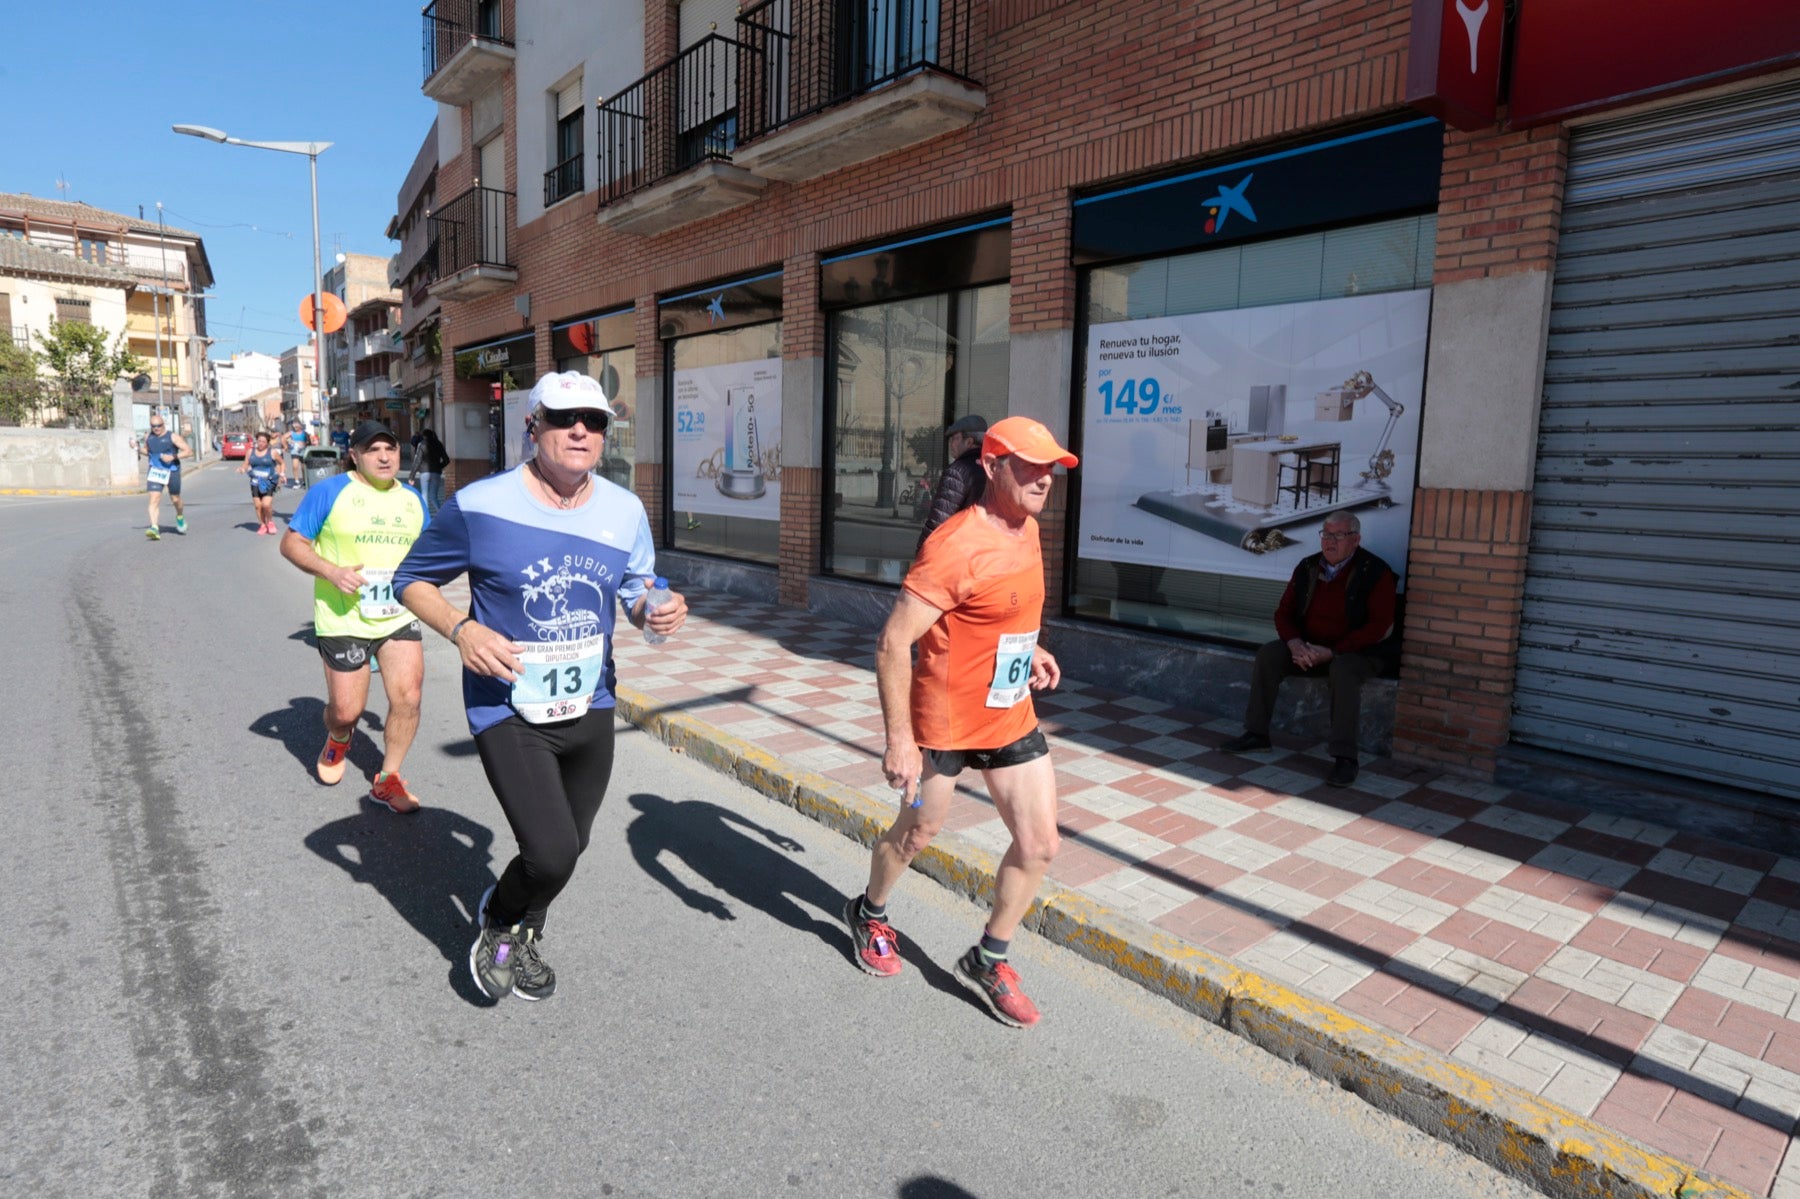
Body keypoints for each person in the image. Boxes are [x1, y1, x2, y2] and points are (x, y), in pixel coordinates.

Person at [395, 371, 687, 1003]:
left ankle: (525, 930)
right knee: (550, 853)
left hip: (591, 703)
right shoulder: (480, 505)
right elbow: (411, 580)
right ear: (534, 428)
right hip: (509, 707)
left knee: (569, 846)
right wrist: (462, 628)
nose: (580, 430)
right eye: (563, 418)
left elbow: (638, 588)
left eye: (595, 420)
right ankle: (499, 924)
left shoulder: (624, 508)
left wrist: (655, 609)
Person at [846, 416, 1075, 1029]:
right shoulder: (954, 544)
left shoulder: (1027, 529)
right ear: (991, 466)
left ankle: (988, 956)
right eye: (1028, 466)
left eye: (1050, 467)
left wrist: (1034, 651)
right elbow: (894, 643)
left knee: (1041, 843)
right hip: (944, 722)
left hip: (1008, 713)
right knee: (918, 834)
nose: (1043, 478)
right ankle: (869, 912)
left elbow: (1006, 611)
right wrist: (899, 740)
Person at [280, 420, 431, 813]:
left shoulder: (413, 499)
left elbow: (428, 555)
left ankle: (388, 778)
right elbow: (292, 543)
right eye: (373, 450)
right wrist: (332, 571)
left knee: (409, 696)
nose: (384, 457)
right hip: (343, 618)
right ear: (355, 456)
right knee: (348, 711)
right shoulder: (330, 491)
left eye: (391, 449)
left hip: (396, 615)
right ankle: (338, 736)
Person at [1219, 512, 1398, 788]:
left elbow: (1378, 627)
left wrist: (1333, 651)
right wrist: (1294, 643)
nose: (1329, 542)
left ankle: (1345, 759)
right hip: (1309, 647)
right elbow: (1283, 613)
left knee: (1343, 669)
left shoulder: (1376, 572)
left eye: (1338, 535)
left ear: (1356, 539)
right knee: (1269, 654)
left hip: (1359, 652)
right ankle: (1256, 734)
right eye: (1325, 534)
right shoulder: (1308, 566)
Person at [917, 413, 988, 549]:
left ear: (969, 442)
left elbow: (938, 521)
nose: (950, 444)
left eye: (955, 439)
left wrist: (922, 551)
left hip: (959, 551)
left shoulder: (957, 471)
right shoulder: (993, 468)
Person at [141, 413, 191, 539]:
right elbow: (147, 451)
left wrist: (173, 457)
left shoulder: (173, 436)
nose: (156, 428)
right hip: (155, 471)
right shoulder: (148, 437)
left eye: (159, 425)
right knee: (154, 498)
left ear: (163, 425)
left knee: (175, 499)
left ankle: (180, 516)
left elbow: (188, 451)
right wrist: (136, 448)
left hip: (171, 470)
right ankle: (154, 528)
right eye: (153, 426)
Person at [238, 430, 286, 535]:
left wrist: (282, 474)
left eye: (263, 442)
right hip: (255, 481)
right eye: (259, 441)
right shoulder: (250, 452)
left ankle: (270, 522)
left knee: (266, 504)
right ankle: (262, 525)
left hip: (269, 481)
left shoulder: (272, 452)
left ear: (267, 443)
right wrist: (242, 469)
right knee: (258, 506)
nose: (260, 443)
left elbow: (282, 463)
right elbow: (246, 463)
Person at [411, 425, 449, 516]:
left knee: (424, 494)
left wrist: (412, 476)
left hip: (424, 472)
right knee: (433, 497)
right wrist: (439, 467)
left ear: (423, 436)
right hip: (436, 473)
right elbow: (446, 460)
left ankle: (426, 516)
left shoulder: (422, 444)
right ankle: (441, 515)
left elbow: (418, 461)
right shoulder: (438, 444)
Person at [285, 420, 310, 489]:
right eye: (294, 426)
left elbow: (309, 442)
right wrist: (288, 443)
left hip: (303, 451)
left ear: (300, 426)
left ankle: (305, 481)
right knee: (295, 466)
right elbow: (283, 438)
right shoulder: (291, 433)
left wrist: (304, 443)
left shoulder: (305, 433)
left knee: (303, 467)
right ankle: (297, 481)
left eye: (296, 426)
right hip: (295, 451)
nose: (295, 428)